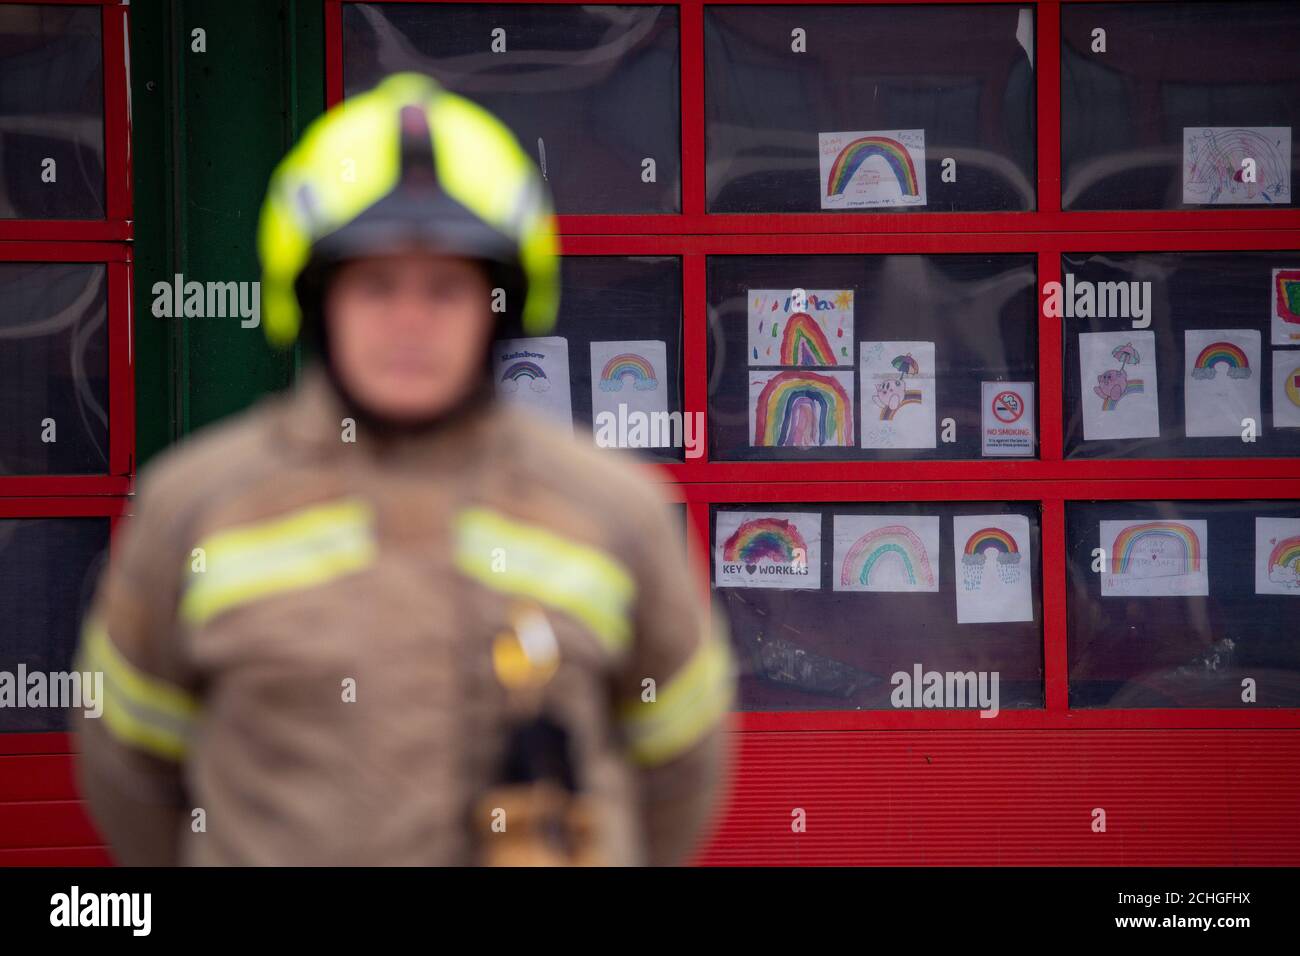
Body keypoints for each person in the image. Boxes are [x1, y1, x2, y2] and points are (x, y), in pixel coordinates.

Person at [71, 71, 734, 866]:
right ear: (316, 300)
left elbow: (681, 760)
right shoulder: (197, 506)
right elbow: (128, 767)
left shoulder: (615, 509)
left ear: (502, 301)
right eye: (376, 285)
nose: (410, 322)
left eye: (446, 288)